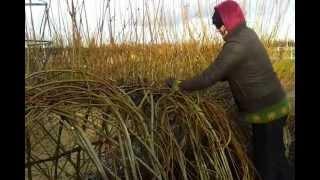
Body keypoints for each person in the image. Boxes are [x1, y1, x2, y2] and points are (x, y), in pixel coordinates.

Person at [165, 0, 293, 179]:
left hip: (267, 113)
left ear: (230, 21)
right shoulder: (247, 35)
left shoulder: (236, 46)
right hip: (274, 107)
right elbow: (237, 70)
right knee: (277, 159)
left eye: (219, 24)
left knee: (267, 166)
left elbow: (209, 77)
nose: (218, 30)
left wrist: (179, 85)